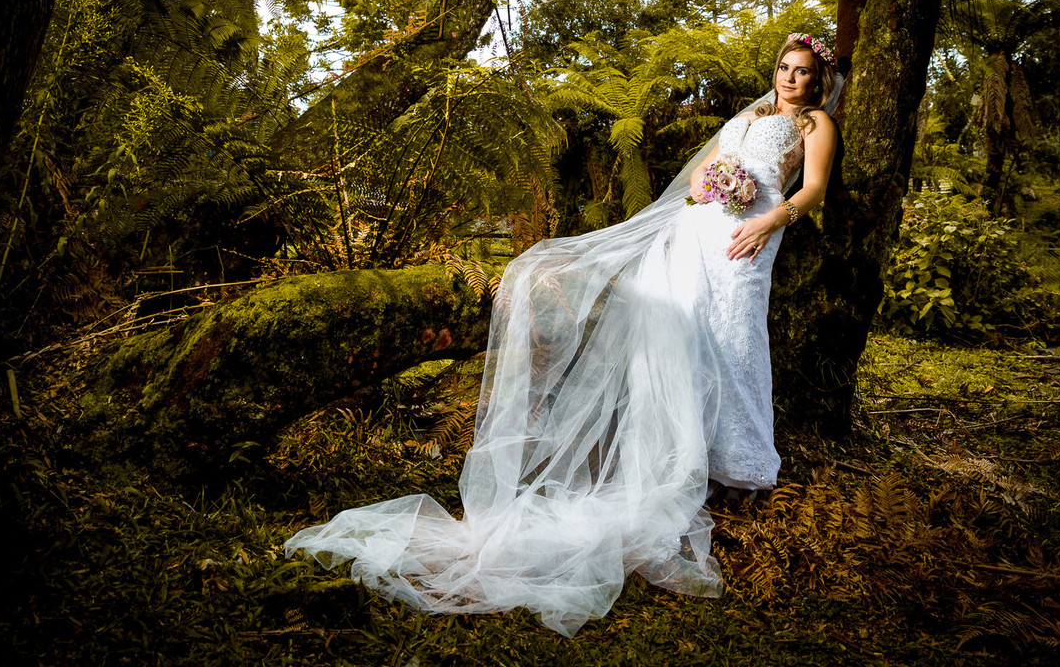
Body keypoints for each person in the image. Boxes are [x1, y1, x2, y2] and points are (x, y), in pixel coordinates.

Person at [284, 33, 842, 637]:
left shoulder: (815, 127)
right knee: (683, 340)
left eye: (803, 72)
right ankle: (687, 456)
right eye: (785, 68)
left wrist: (766, 221)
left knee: (733, 342)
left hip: (749, 238)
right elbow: (706, 170)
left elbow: (811, 189)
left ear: (819, 81)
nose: (790, 78)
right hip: (700, 232)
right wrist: (710, 186)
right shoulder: (751, 114)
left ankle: (741, 467)